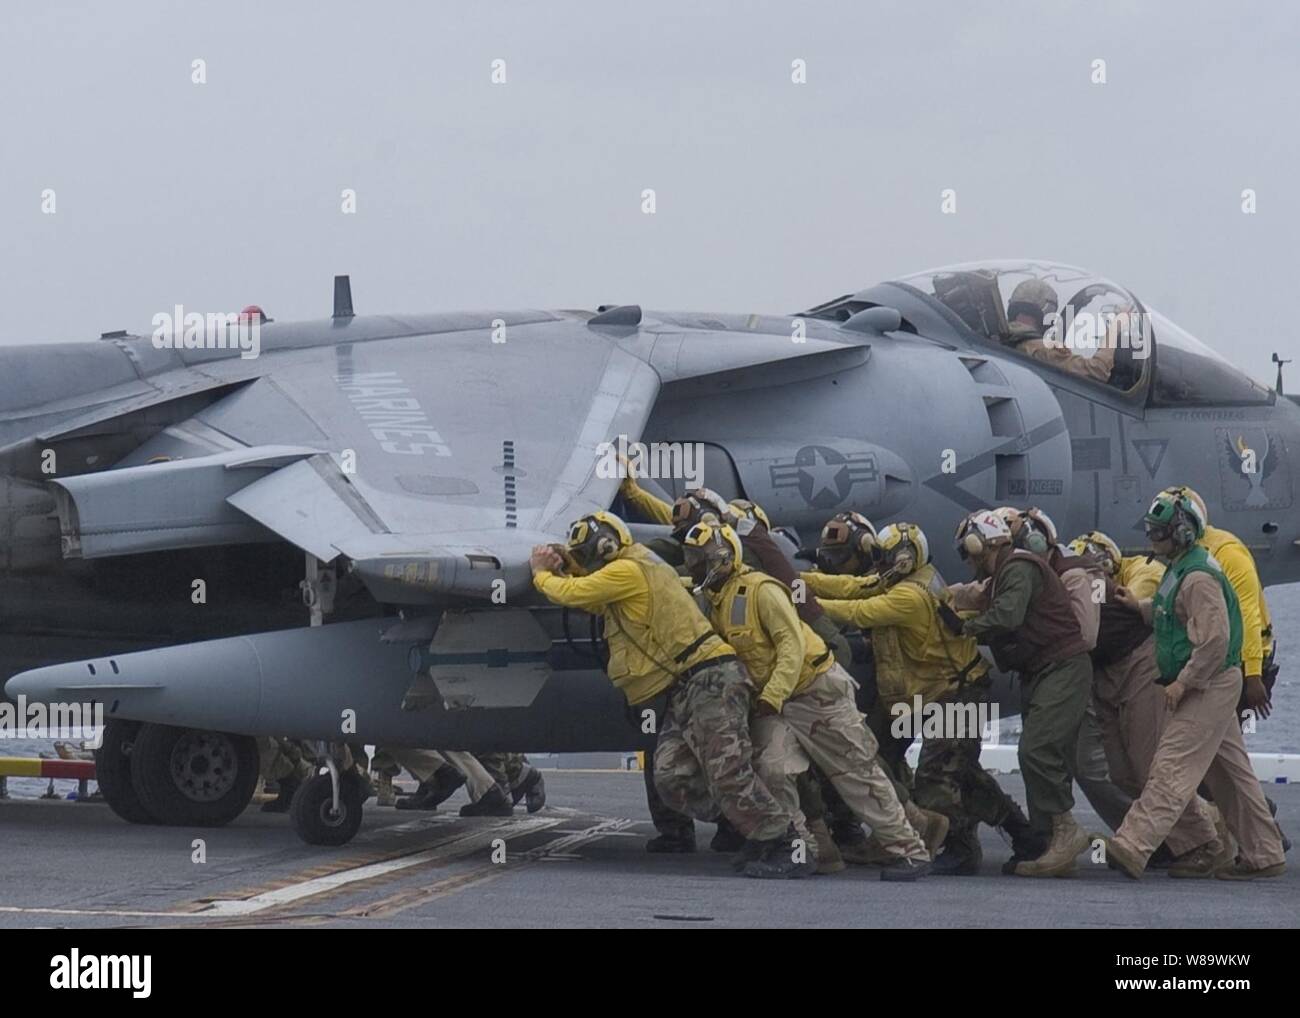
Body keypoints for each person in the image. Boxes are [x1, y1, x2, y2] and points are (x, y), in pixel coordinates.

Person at [531, 510, 810, 878]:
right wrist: (567, 563)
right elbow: (593, 599)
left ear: (604, 547)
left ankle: (785, 842)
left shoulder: (628, 570)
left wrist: (542, 572)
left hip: (711, 679)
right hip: (688, 685)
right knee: (671, 775)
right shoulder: (632, 568)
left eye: (585, 556)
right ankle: (754, 826)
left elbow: (575, 592)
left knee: (728, 771)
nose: (585, 565)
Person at [682, 517, 931, 880]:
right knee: (773, 769)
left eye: (697, 558)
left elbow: (791, 645)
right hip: (776, 698)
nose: (693, 566)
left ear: (720, 557)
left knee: (854, 773)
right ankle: (801, 851)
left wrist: (772, 696)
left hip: (815, 691)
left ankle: (909, 853)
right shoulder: (715, 599)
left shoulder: (760, 590)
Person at [816, 522, 1039, 875]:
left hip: (956, 693)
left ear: (902, 559)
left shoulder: (910, 596)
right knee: (884, 753)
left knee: (939, 774)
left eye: (883, 557)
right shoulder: (911, 577)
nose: (877, 564)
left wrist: (807, 604)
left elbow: (858, 611)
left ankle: (961, 847)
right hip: (926, 693)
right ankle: (1021, 835)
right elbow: (854, 586)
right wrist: (800, 582)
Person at [1104, 491, 1285, 880]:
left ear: (1183, 531)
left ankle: (1133, 845)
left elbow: (1215, 641)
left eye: (1160, 530)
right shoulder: (1182, 569)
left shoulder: (1199, 576)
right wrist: (1138, 607)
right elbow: (1172, 613)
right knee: (1231, 775)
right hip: (1213, 680)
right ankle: (1265, 854)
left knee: (1172, 763)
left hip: (1208, 682)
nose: (1152, 536)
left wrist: (1182, 684)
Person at [1065, 532, 1227, 876]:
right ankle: (1210, 819)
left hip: (1139, 667)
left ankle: (1203, 842)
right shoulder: (1086, 588)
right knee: (1122, 773)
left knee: (1147, 766)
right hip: (1106, 676)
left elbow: (1147, 589)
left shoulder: (1142, 573)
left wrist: (1131, 600)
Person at [954, 509, 1094, 877]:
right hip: (1043, 670)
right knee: (1044, 756)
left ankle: (1067, 830)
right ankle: (1049, 841)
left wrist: (964, 628)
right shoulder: (1005, 573)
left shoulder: (1017, 568)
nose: (967, 560)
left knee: (1036, 749)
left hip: (1061, 667)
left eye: (967, 551)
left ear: (979, 543)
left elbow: (1007, 617)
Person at [1002, 279, 1116, 383]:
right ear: (1047, 310)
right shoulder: (1044, 351)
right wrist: (1117, 325)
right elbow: (1098, 370)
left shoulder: (1001, 337)